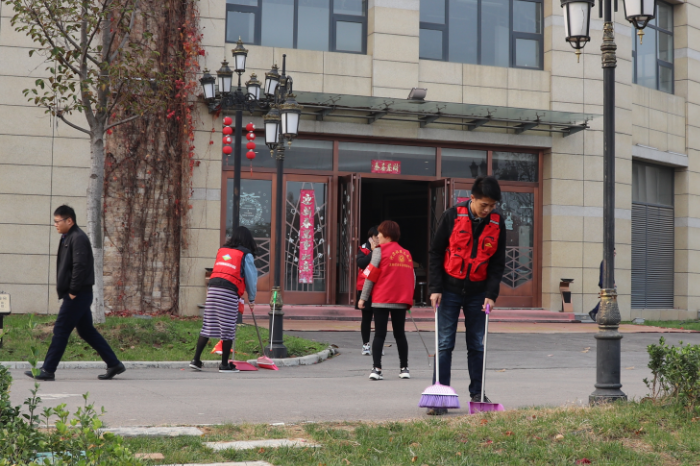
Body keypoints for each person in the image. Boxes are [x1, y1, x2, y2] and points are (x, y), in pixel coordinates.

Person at [428, 176, 506, 415]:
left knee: (477, 344)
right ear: (472, 198)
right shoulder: (452, 216)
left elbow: (497, 262)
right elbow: (435, 252)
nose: (488, 210)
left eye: (492, 205)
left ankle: (478, 394)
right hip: (449, 290)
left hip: (478, 293)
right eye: (484, 204)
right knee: (444, 343)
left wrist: (491, 294)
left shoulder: (497, 222)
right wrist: (435, 288)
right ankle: (440, 396)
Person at [26, 205, 125, 381]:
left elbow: (80, 266)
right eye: (55, 221)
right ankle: (114, 364)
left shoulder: (78, 238)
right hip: (79, 294)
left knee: (61, 329)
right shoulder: (68, 237)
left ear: (69, 220)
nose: (55, 224)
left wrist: (72, 291)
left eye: (58, 221)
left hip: (78, 294)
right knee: (86, 331)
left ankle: (48, 370)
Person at [190, 226, 258, 373]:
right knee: (228, 328)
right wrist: (252, 299)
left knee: (208, 326)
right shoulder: (245, 254)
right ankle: (224, 365)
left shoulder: (222, 251)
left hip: (212, 290)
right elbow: (251, 278)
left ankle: (195, 360)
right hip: (228, 291)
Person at [358, 220, 415, 381]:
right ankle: (404, 368)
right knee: (400, 334)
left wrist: (363, 298)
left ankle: (377, 369)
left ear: (387, 235)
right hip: (400, 300)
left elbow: (370, 276)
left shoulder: (379, 251)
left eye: (380, 234)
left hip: (381, 299)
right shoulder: (406, 253)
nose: (378, 237)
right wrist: (409, 298)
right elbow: (411, 278)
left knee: (379, 335)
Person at [357, 226, 379, 355]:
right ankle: (366, 345)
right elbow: (361, 263)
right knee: (366, 318)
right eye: (376, 237)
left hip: (379, 288)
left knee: (379, 319)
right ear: (371, 238)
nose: (378, 240)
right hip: (365, 288)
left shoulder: (384, 249)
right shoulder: (363, 249)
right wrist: (373, 252)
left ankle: (378, 345)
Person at [589, 248, 616, 322]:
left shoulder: (606, 261)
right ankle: (594, 312)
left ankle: (599, 313)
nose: (614, 255)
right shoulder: (606, 262)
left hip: (605, 283)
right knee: (607, 299)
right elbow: (608, 274)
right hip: (606, 283)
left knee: (607, 299)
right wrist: (612, 282)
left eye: (615, 253)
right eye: (613, 253)